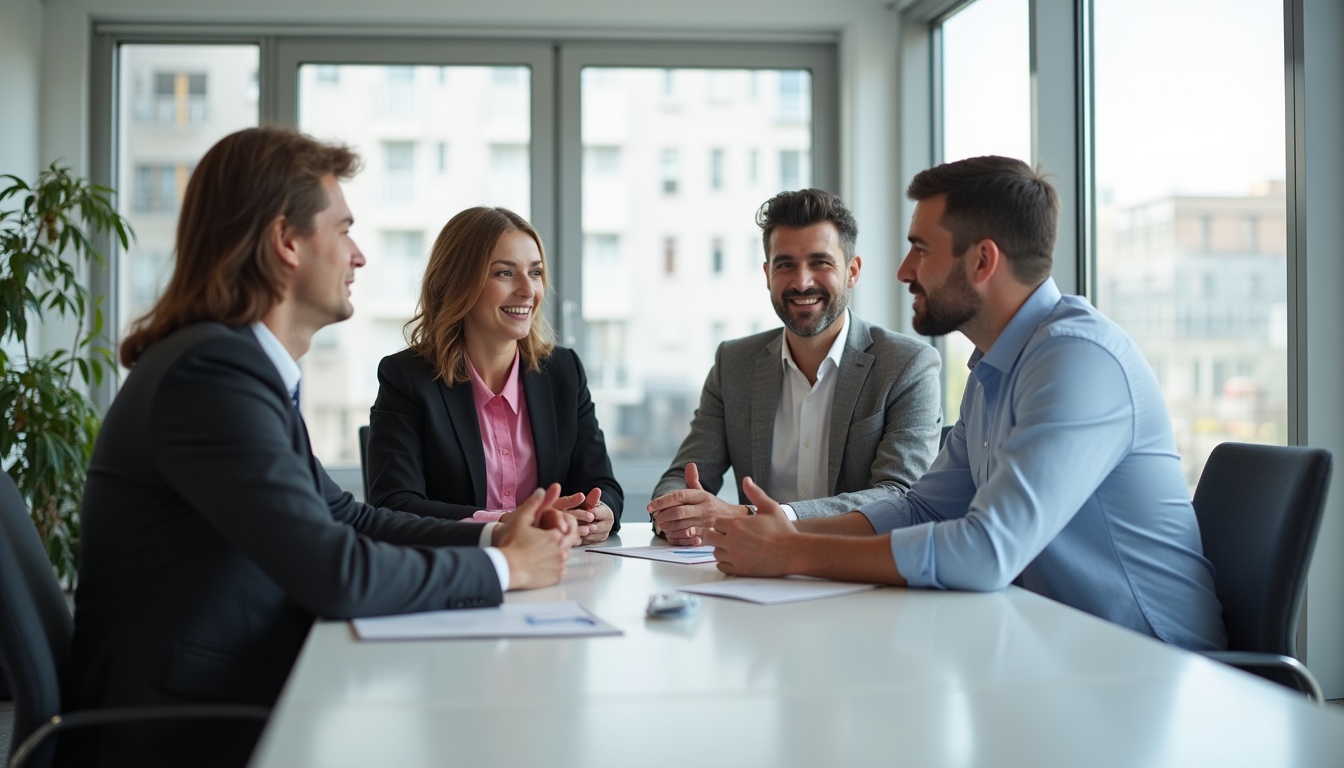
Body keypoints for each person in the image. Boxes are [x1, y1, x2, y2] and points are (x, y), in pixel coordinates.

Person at [69, 127, 579, 767]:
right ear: (287, 242)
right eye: (343, 231)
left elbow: (350, 517)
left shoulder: (235, 366)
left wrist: (495, 538)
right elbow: (337, 572)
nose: (359, 255)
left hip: (240, 685)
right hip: (188, 726)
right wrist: (510, 569)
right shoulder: (211, 376)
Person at [707, 156, 1227, 651]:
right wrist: (781, 527)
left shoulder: (1077, 361)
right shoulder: (994, 366)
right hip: (1055, 650)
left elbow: (986, 551)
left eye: (921, 249)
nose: (904, 270)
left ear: (982, 260)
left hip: (1151, 669)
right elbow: (922, 507)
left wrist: (793, 550)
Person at [647, 188, 942, 546]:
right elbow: (683, 475)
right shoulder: (734, 363)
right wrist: (678, 512)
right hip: (752, 578)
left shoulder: (907, 365)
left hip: (859, 578)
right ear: (768, 273)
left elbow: (898, 498)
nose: (802, 282)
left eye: (820, 262)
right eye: (786, 264)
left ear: (852, 271)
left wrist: (754, 517)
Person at [368, 207, 622, 544]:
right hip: (455, 573)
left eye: (535, 272)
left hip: (557, 573)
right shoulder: (407, 378)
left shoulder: (564, 372)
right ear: (459, 282)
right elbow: (394, 505)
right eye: (505, 273)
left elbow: (603, 485)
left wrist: (599, 511)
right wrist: (505, 524)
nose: (527, 290)